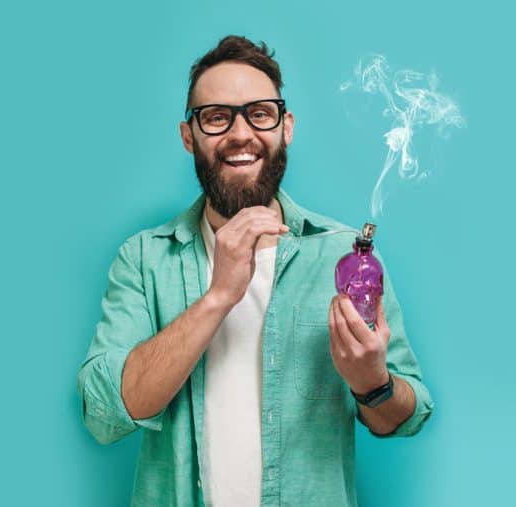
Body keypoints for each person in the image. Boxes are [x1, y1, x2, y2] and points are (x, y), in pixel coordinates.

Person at [77, 35, 434, 507]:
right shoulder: (144, 259)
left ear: (286, 127)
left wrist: (372, 381)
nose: (241, 134)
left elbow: (407, 417)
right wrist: (219, 295)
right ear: (189, 137)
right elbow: (105, 416)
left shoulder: (344, 258)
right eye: (217, 117)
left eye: (259, 113)